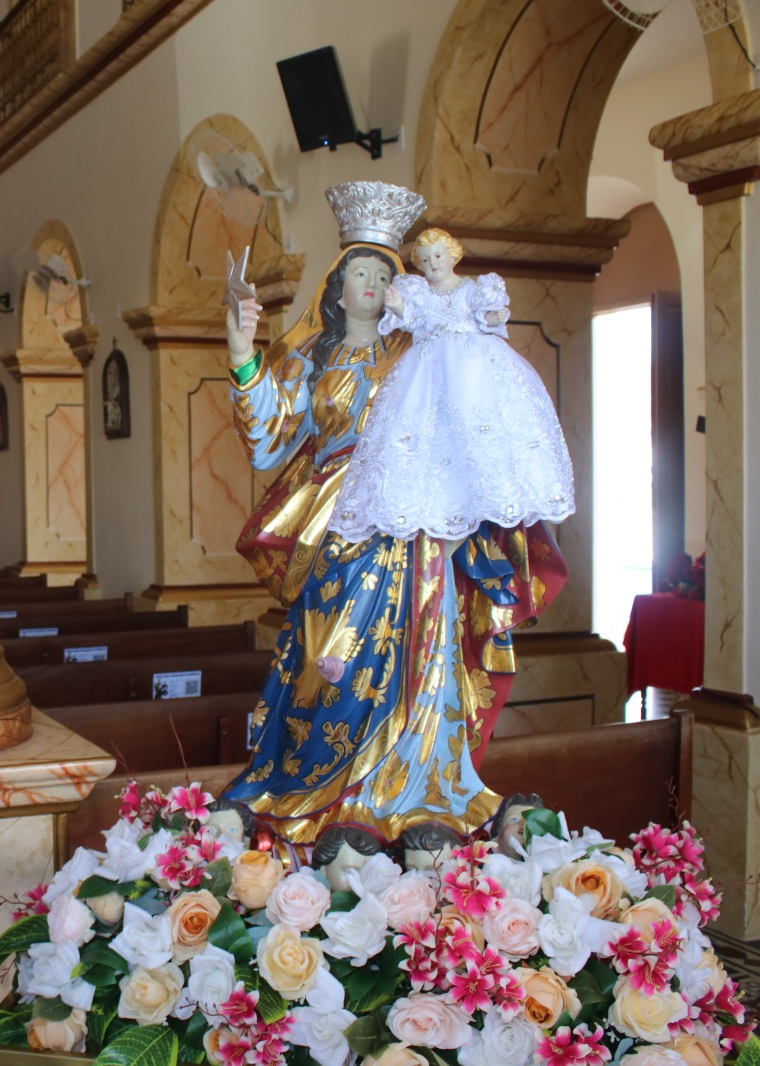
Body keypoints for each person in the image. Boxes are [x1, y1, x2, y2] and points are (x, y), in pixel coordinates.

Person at [218, 181, 567, 853]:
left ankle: (415, 784)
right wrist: (242, 355)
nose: (374, 284)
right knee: (329, 656)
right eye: (361, 273)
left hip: (415, 528)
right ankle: (318, 784)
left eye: (386, 273)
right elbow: (269, 437)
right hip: (336, 531)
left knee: (422, 650)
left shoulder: (421, 351)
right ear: (336, 287)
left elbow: (469, 410)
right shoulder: (311, 361)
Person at [329, 226, 575, 542]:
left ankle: (485, 502)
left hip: (474, 372)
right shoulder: (417, 291)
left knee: (479, 433)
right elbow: (410, 319)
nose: (433, 264)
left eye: (438, 256)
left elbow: (490, 319)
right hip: (426, 376)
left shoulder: (475, 288)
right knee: (424, 436)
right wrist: (398, 304)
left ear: (452, 255)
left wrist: (494, 313)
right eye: (426, 259)